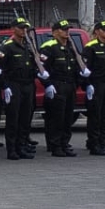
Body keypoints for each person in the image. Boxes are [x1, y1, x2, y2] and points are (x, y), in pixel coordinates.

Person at [0, 16, 42, 162]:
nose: (24, 30)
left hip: (28, 85)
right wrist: (5, 86)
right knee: (13, 119)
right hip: (14, 85)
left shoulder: (28, 46)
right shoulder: (7, 47)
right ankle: (12, 149)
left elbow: (32, 66)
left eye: (25, 28)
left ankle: (21, 146)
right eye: (21, 28)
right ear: (13, 29)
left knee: (25, 118)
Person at [41, 18, 81, 158]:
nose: (66, 32)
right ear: (55, 32)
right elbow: (42, 69)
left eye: (67, 29)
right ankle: (55, 145)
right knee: (56, 118)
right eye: (63, 30)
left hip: (70, 86)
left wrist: (79, 81)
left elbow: (76, 67)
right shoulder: (49, 47)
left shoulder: (70, 47)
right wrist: (47, 85)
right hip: (57, 85)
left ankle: (64, 143)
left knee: (68, 117)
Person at [83, 18, 105, 156]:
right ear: (97, 32)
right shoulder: (90, 47)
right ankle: (94, 144)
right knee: (95, 116)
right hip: (96, 84)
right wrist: (87, 85)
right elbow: (85, 69)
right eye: (104, 30)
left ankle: (102, 142)